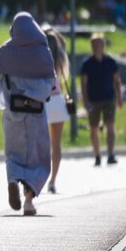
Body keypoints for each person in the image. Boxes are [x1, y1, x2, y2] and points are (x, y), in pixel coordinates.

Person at [0, 12, 56, 216]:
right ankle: (28, 201)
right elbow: (52, 83)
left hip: (12, 112)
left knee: (13, 153)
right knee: (39, 156)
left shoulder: (5, 52)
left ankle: (12, 180)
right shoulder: (43, 53)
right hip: (36, 113)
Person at [81, 34, 124, 166]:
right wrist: (85, 101)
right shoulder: (87, 64)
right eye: (94, 44)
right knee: (93, 128)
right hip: (93, 100)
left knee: (110, 125)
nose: (96, 47)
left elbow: (117, 80)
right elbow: (83, 84)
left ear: (103, 45)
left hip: (108, 98)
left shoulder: (110, 61)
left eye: (99, 44)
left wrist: (119, 97)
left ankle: (110, 154)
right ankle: (97, 155)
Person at [43, 27, 71, 193]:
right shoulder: (60, 58)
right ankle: (53, 181)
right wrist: (55, 32)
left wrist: (47, 31)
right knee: (56, 144)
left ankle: (42, 176)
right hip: (58, 102)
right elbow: (64, 42)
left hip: (44, 102)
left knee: (43, 144)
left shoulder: (40, 57)